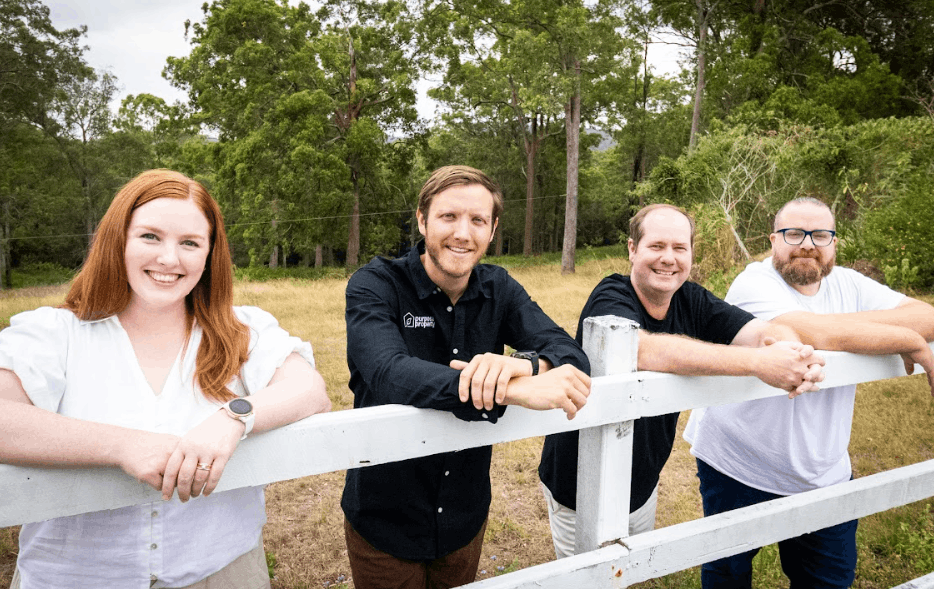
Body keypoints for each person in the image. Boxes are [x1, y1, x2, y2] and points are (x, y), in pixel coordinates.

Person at [0, 169, 331, 589]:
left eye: (190, 243)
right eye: (150, 237)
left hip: (221, 569)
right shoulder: (54, 333)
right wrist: (123, 446)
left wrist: (233, 418)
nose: (169, 259)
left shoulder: (241, 328)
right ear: (117, 240)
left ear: (210, 255)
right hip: (77, 576)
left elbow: (310, 390)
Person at [341, 165, 592, 589]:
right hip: (385, 518)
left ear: (492, 230)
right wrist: (511, 391)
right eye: (448, 217)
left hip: (465, 517)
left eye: (477, 220)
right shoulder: (375, 284)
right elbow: (388, 372)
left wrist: (525, 364)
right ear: (422, 220)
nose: (463, 233)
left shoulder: (500, 288)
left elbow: (568, 351)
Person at [538, 203, 825, 558]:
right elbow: (641, 349)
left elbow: (760, 331)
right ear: (632, 249)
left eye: (679, 248)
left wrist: (793, 352)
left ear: (691, 253)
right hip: (580, 484)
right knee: (587, 580)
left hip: (642, 481)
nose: (668, 259)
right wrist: (757, 363)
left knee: (627, 571)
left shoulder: (691, 298)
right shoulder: (610, 296)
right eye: (656, 246)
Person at [685, 196, 934, 589]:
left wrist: (861, 329)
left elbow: (929, 317)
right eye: (794, 233)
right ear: (772, 240)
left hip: (823, 470)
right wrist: (904, 338)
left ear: (834, 242)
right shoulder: (754, 282)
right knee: (728, 574)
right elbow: (809, 331)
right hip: (739, 462)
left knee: (829, 580)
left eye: (820, 234)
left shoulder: (848, 283)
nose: (807, 244)